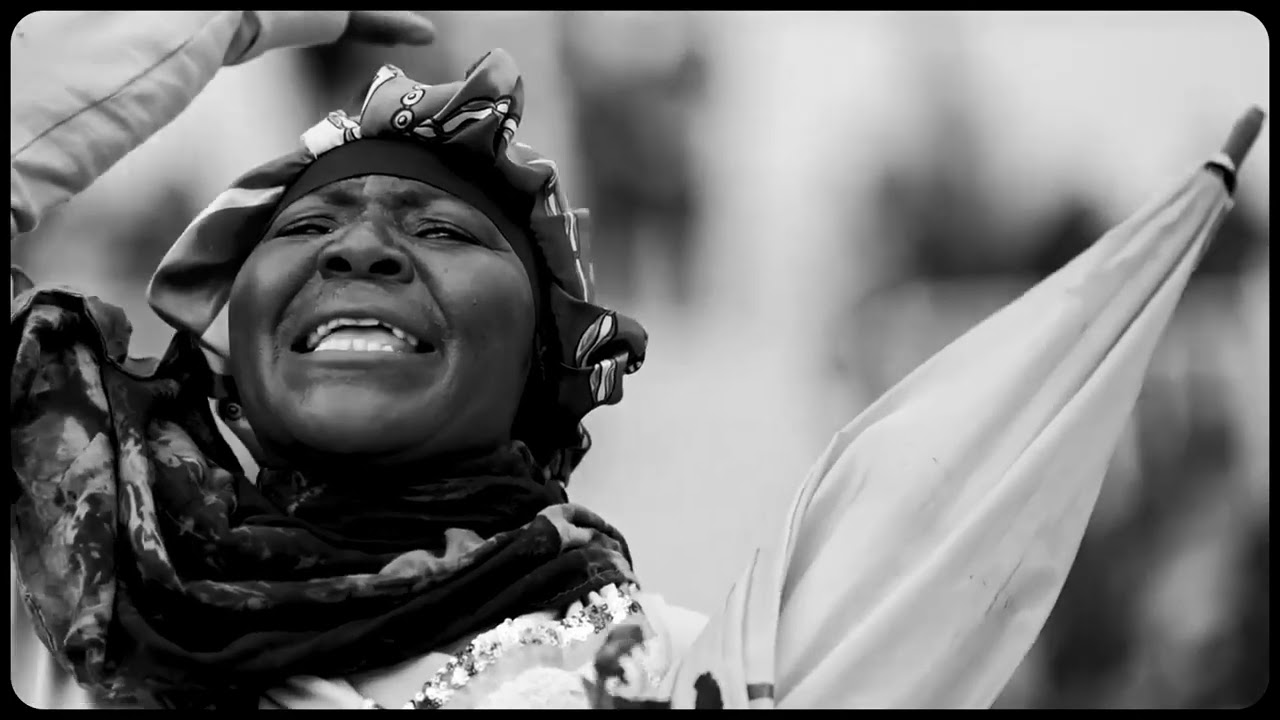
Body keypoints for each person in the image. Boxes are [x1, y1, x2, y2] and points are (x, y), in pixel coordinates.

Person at [11, 10, 1259, 711]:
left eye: (443, 231)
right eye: (303, 226)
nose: (362, 247)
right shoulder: (74, 591)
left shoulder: (680, 674)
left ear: (538, 365)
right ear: (230, 338)